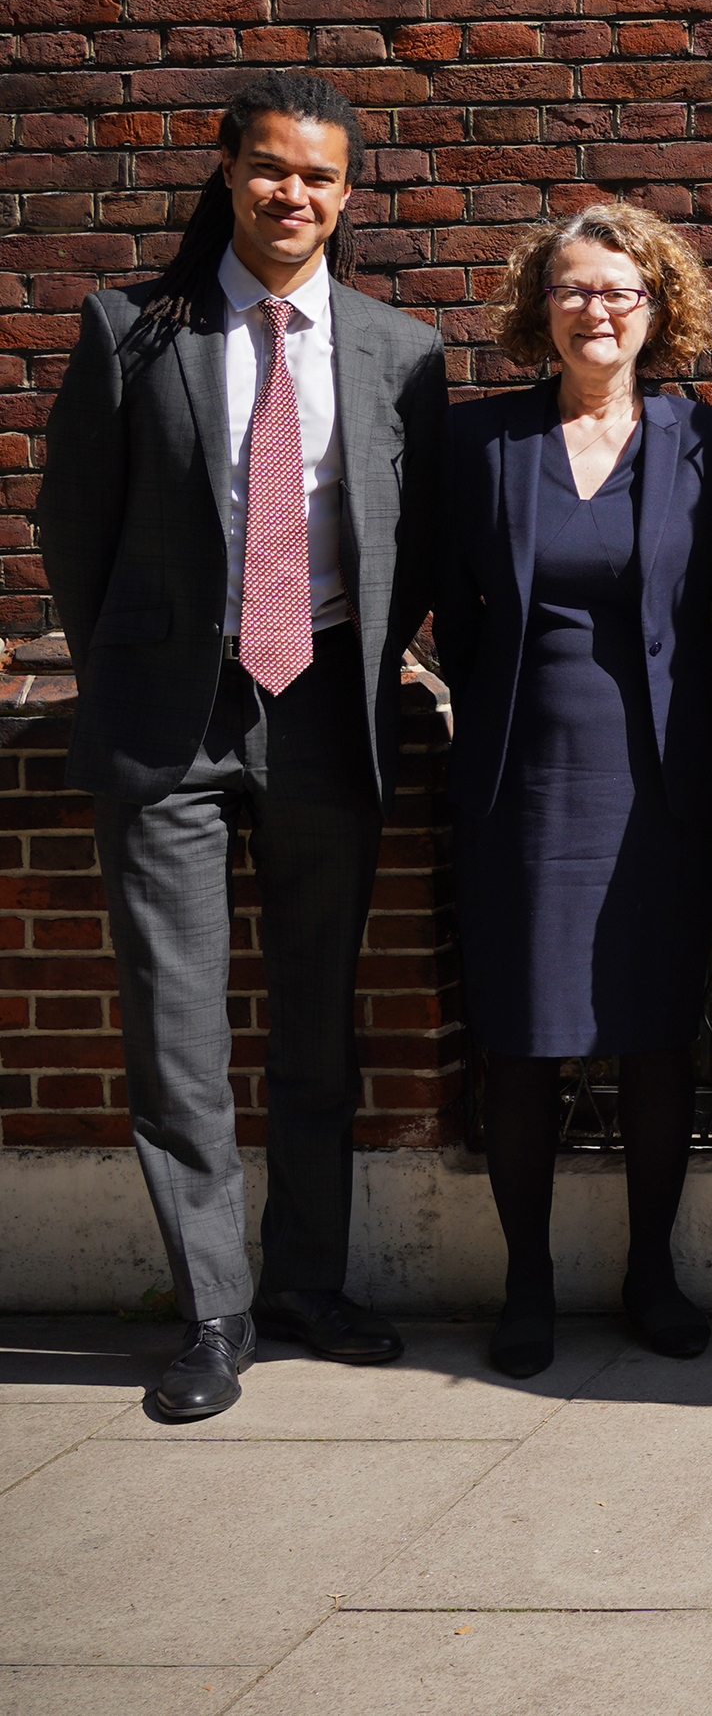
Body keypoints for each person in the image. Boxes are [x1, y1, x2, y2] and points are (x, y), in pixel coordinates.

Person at [39, 71, 447, 1421]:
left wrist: (408, 665)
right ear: (226, 170)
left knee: (317, 1018)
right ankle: (212, 1311)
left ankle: (305, 1282)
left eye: (320, 176)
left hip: (329, 707)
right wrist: (128, 673)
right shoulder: (130, 333)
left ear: (347, 195)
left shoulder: (401, 351)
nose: (294, 194)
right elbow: (71, 531)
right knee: (178, 1029)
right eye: (271, 167)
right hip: (174, 715)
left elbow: (415, 535)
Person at [441, 203, 712, 1378]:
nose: (596, 309)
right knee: (524, 1039)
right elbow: (450, 610)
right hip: (520, 781)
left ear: (660, 306)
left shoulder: (710, 446)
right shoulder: (481, 445)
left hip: (663, 781)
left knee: (655, 1035)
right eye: (573, 289)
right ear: (540, 307)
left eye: (621, 289)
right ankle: (528, 1282)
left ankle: (650, 1270)